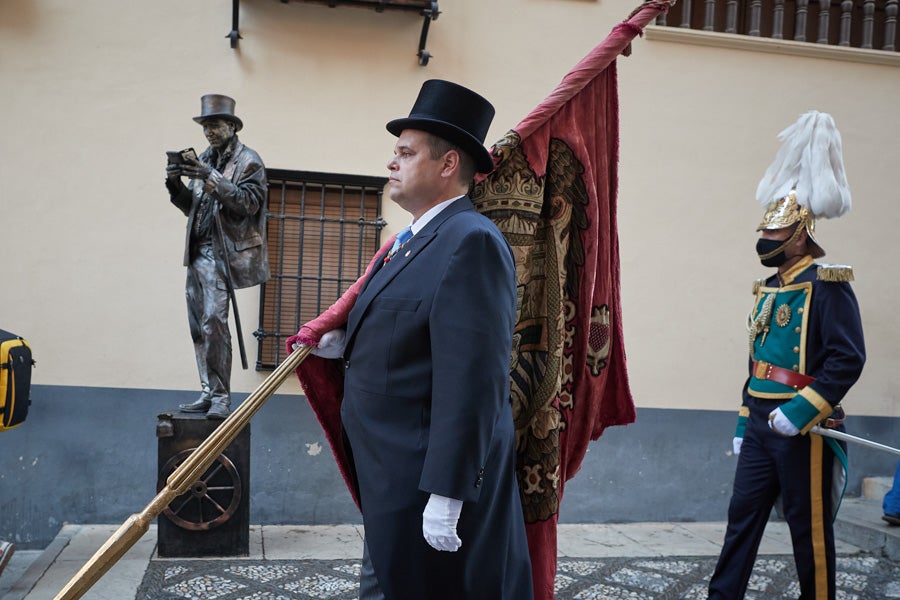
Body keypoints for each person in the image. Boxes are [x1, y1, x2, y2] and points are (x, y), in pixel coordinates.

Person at [290, 79, 533, 599]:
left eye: (405, 152)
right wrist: (342, 343)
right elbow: (408, 330)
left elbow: (473, 380)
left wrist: (447, 493)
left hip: (425, 484)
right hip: (391, 481)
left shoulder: (471, 243)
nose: (392, 163)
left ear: (447, 165)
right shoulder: (410, 241)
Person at [708, 111, 866, 599]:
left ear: (800, 234)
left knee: (809, 532)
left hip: (803, 427)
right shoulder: (768, 287)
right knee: (741, 521)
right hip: (759, 420)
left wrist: (799, 413)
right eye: (766, 234)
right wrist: (743, 422)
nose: (766, 242)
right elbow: (755, 357)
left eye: (775, 236)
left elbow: (847, 358)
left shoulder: (828, 286)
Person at [165, 94, 269, 419]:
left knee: (214, 322)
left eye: (214, 125)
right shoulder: (204, 159)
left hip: (221, 253)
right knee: (198, 324)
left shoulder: (248, 161)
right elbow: (192, 209)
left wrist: (210, 177)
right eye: (205, 126)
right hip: (196, 251)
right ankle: (208, 392)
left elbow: (249, 204)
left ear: (231, 126)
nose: (209, 132)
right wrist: (174, 184)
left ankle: (222, 397)